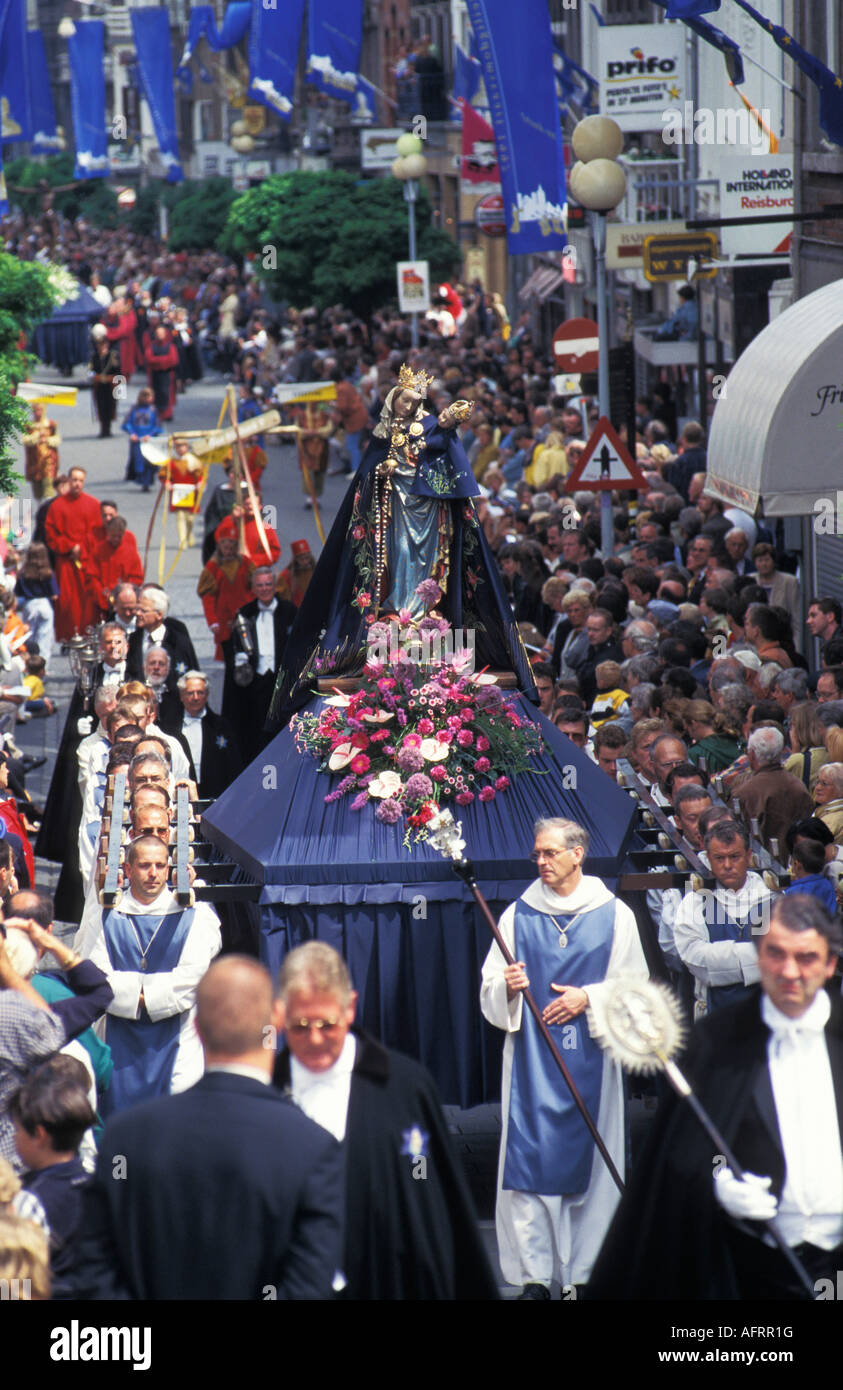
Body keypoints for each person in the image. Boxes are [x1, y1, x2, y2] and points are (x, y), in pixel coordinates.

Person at [589, 893, 843, 1300]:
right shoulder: (716, 1043)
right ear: (759, 957)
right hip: (752, 1265)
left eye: (806, 957)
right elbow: (682, 1154)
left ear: (830, 963)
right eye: (776, 954)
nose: (789, 971)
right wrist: (717, 1182)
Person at [268, 363, 536, 724]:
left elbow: (445, 458)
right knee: (398, 561)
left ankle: (425, 615)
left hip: (428, 508)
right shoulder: (383, 432)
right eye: (402, 401)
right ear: (394, 400)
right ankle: (398, 609)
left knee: (427, 563)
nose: (406, 408)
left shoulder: (429, 425)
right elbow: (369, 471)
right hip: (395, 511)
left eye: (412, 402)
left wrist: (443, 427)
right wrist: (382, 474)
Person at [71, 956, 344, 1300]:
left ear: (197, 1027)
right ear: (276, 1021)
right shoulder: (312, 1147)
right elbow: (309, 1283)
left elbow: (96, 1268)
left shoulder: (126, 1136)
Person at [273, 942, 498, 1300]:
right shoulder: (264, 1093)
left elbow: (436, 1205)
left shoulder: (403, 1088)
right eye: (300, 1026)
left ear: (350, 1008)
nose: (314, 1039)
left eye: (327, 1025)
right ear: (279, 1014)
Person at [480, 817, 647, 1298]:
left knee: (592, 1168)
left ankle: (585, 1272)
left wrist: (589, 998)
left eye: (550, 853)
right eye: (537, 854)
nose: (541, 862)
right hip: (532, 1062)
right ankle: (535, 1274)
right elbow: (490, 985)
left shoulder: (616, 915)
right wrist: (507, 989)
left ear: (578, 853)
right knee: (528, 1166)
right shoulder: (516, 915)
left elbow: (636, 987)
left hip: (592, 1058)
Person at [74, 835, 221, 1115]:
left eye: (159, 865)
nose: (153, 873)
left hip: (179, 1045)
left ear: (169, 869)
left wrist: (136, 993)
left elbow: (193, 980)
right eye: (144, 865)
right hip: (118, 1042)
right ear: (128, 870)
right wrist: (147, 993)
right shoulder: (106, 917)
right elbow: (94, 979)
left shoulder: (194, 916)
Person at [0, 912, 112, 1170]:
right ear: (29, 973)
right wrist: (49, 943)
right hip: (19, 1161)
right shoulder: (22, 1019)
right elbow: (99, 993)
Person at [9, 1054, 96, 1298]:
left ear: (39, 1134)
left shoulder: (27, 1201)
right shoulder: (97, 1187)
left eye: (17, 1129)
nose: (14, 1138)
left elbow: (16, 1279)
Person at [672, 820, 773, 1016]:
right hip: (715, 1017)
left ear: (749, 855)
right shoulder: (696, 900)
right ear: (708, 858)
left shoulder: (772, 898)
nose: (727, 865)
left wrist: (720, 958)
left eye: (734, 856)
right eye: (719, 858)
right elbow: (696, 960)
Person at [223, 567, 297, 759]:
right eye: (260, 585)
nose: (265, 589)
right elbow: (236, 647)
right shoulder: (245, 613)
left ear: (275, 586)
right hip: (255, 683)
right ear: (253, 589)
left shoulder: (289, 611)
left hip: (281, 682)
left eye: (268, 584)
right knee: (255, 730)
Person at [164, 670, 242, 800]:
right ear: (181, 696)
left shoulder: (220, 726)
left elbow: (233, 764)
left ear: (207, 695)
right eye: (190, 693)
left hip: (216, 794)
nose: (195, 697)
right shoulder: (170, 726)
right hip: (182, 792)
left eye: (200, 692)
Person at [44, 467, 101, 641]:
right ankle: (67, 635)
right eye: (74, 480)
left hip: (87, 561)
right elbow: (51, 534)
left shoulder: (93, 504)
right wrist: (70, 547)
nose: (77, 483)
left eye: (80, 480)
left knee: (88, 600)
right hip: (66, 562)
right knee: (67, 602)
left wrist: (83, 548)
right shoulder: (57, 506)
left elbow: (98, 533)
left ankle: (89, 633)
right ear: (68, 481)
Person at [197, 516, 255, 660]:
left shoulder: (246, 563)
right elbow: (208, 598)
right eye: (224, 545)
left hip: (246, 616)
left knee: (250, 653)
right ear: (219, 545)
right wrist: (212, 621)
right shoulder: (212, 567)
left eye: (231, 545)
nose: (228, 548)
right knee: (229, 658)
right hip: (223, 620)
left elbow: (255, 589)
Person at [86, 516, 144, 619]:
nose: (116, 539)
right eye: (113, 536)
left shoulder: (131, 552)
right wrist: (103, 595)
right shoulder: (98, 550)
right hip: (101, 602)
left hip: (125, 603)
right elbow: (91, 577)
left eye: (119, 536)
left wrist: (124, 592)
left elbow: (137, 578)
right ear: (108, 533)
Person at [158, 437, 204, 551]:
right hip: (178, 492)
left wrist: (200, 483)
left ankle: (189, 534)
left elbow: (201, 474)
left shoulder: (193, 460)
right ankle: (182, 540)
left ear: (187, 447)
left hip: (191, 492)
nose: (180, 449)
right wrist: (167, 482)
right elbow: (163, 475)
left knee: (190, 518)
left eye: (182, 446)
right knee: (180, 516)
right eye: (178, 446)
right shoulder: (171, 462)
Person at [121, 387, 161, 491]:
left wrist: (151, 435)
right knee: (138, 461)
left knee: (149, 461)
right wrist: (132, 433)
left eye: (149, 396)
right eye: (144, 396)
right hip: (137, 440)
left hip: (149, 440)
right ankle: (137, 477)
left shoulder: (153, 410)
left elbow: (157, 426)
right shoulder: (134, 409)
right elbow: (127, 423)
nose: (146, 398)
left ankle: (146, 482)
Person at [88, 325, 121, 439]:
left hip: (110, 385)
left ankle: (108, 428)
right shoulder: (95, 357)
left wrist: (111, 379)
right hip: (99, 386)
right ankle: (103, 429)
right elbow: (91, 371)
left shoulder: (113, 355)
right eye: (98, 345)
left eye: (102, 344)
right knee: (100, 406)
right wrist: (94, 377)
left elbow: (118, 371)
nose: (100, 347)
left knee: (110, 406)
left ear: (106, 344)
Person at [22, 403, 60, 501]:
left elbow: (57, 440)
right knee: (37, 491)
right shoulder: (28, 426)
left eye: (40, 410)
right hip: (34, 462)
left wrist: (47, 440)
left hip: (49, 461)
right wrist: (37, 435)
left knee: (49, 487)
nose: (38, 413)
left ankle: (49, 507)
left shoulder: (50, 424)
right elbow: (24, 440)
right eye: (36, 411)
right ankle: (40, 509)